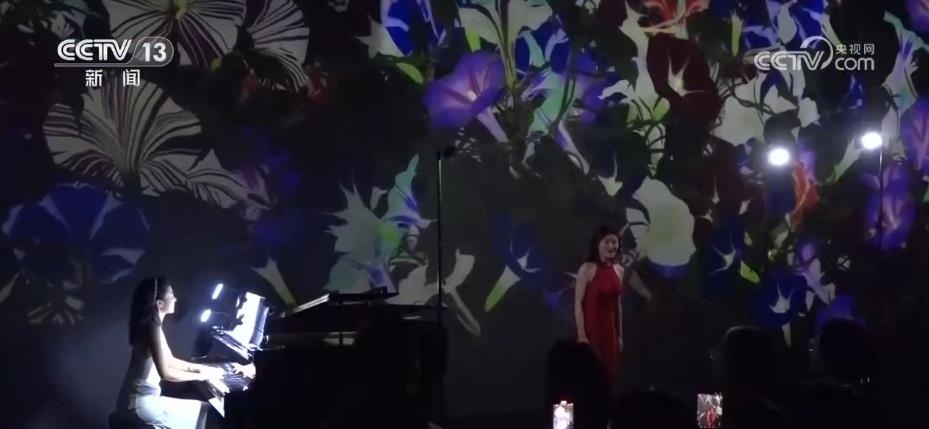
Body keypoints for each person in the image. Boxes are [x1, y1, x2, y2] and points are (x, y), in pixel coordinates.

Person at [114, 277, 253, 429]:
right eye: (171, 295)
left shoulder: (153, 326)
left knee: (206, 412)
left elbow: (170, 361)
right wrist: (203, 375)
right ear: (159, 303)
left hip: (138, 401)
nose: (175, 299)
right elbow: (166, 373)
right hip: (140, 404)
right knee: (208, 414)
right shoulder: (151, 328)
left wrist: (205, 369)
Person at [574, 225, 652, 394]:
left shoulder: (619, 270)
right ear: (598, 244)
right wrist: (581, 335)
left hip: (610, 334)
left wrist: (619, 336)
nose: (611, 246)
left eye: (614, 242)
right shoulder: (587, 268)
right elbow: (578, 303)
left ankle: (607, 409)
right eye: (607, 242)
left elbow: (618, 305)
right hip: (591, 331)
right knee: (590, 378)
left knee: (609, 378)